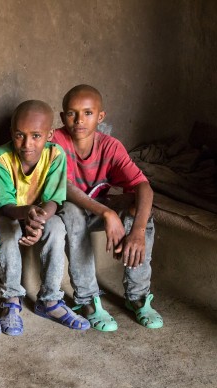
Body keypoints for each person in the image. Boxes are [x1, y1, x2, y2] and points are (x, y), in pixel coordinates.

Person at [54, 84, 163, 331]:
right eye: (71, 113)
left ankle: (137, 295)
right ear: (62, 117)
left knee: (140, 210)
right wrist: (107, 213)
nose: (79, 120)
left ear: (100, 117)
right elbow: (64, 188)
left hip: (99, 209)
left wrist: (137, 230)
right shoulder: (58, 141)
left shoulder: (110, 146)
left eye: (88, 113)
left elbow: (143, 187)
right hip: (71, 211)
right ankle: (87, 300)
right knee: (71, 211)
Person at [0, 100, 90, 335]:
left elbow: (53, 199)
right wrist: (27, 214)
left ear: (50, 134)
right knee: (6, 229)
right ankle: (12, 300)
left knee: (56, 227)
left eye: (36, 136)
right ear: (11, 134)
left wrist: (39, 220)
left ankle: (50, 300)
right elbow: (5, 205)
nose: (27, 144)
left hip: (40, 213)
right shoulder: (1, 157)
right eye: (19, 135)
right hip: (11, 213)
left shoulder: (55, 155)